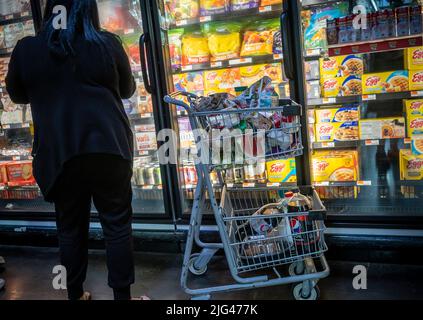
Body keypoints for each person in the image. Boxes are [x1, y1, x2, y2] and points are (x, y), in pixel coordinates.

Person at [6, 0, 145, 300]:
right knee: (117, 224)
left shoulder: (27, 49)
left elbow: (16, 95)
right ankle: (123, 297)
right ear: (87, 8)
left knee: (69, 227)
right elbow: (127, 90)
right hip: (109, 147)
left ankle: (74, 294)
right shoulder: (106, 43)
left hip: (59, 153)